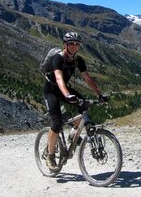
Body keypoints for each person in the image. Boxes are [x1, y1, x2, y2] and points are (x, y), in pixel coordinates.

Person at [43, 32, 106, 170]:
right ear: (65, 44)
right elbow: (59, 79)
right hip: (52, 91)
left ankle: (73, 135)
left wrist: (100, 95)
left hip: (65, 90)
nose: (74, 46)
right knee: (57, 123)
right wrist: (67, 95)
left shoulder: (78, 60)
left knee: (84, 106)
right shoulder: (57, 59)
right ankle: (50, 156)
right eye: (71, 43)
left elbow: (88, 79)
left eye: (76, 43)